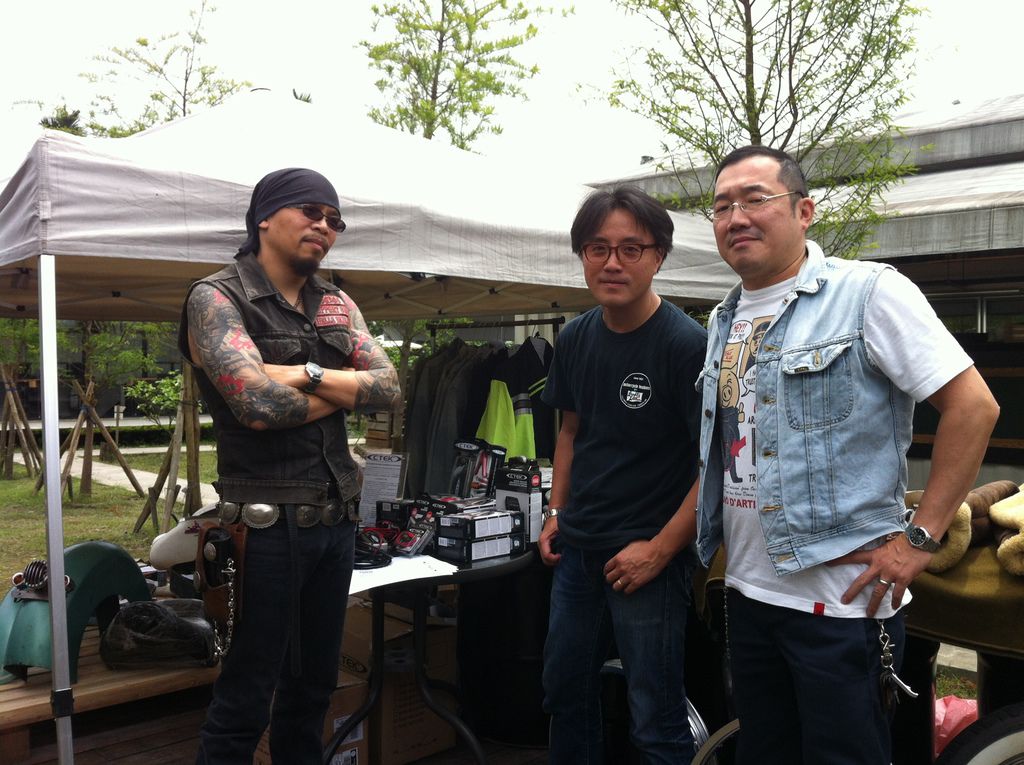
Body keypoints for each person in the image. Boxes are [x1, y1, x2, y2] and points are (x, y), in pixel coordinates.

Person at [695, 145, 999, 764]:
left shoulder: (868, 294)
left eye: (755, 199)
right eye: (722, 206)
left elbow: (974, 407)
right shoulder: (724, 319)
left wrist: (920, 540)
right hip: (748, 593)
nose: (736, 217)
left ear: (804, 211)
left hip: (841, 607)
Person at [179, 167, 400, 764]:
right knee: (245, 699)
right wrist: (339, 388)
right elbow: (256, 406)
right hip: (264, 532)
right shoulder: (217, 298)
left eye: (334, 219)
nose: (324, 226)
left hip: (336, 523)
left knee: (312, 693)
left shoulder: (336, 303)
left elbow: (388, 388)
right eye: (310, 211)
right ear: (264, 218)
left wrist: (302, 373)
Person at [539, 186, 707, 764]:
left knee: (655, 716)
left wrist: (660, 550)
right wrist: (555, 512)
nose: (612, 263)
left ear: (658, 257)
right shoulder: (575, 336)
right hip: (578, 550)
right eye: (598, 248)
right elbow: (571, 431)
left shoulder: (687, 346)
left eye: (631, 249)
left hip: (647, 559)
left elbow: (718, 465)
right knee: (564, 694)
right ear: (582, 255)